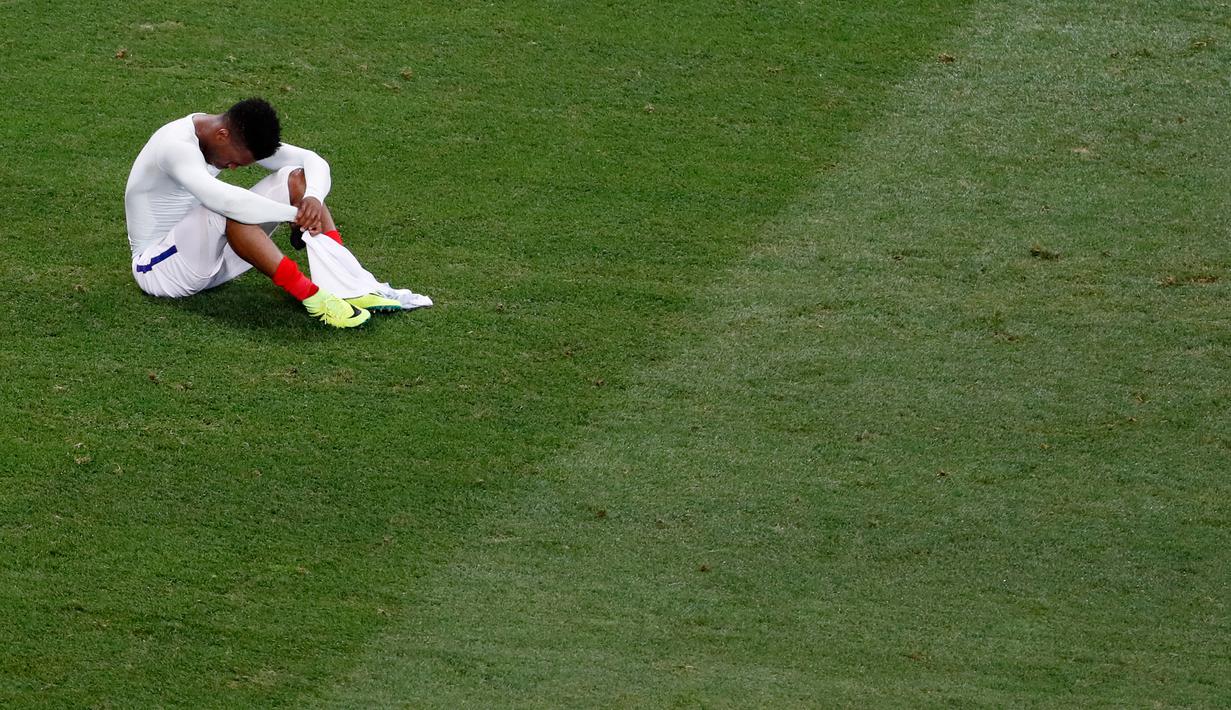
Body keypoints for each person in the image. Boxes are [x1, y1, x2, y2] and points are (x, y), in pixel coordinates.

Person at [124, 97, 430, 328]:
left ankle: (347, 281)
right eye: (235, 162)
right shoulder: (175, 146)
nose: (233, 168)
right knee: (228, 208)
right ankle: (314, 298)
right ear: (222, 135)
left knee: (295, 178)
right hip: (159, 271)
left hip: (210, 259)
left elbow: (313, 161)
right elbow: (224, 200)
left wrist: (311, 198)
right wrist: (292, 214)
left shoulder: (226, 135)